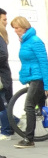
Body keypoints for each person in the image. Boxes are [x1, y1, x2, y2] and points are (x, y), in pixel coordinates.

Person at [10, 16, 48, 149]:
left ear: (24, 27)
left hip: (38, 78)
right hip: (33, 76)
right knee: (42, 107)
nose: (15, 31)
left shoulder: (34, 41)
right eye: (14, 28)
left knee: (29, 106)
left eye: (17, 28)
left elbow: (44, 63)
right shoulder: (25, 41)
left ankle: (29, 139)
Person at [0, 9, 13, 142]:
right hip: (3, 75)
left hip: (2, 77)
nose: (6, 22)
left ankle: (6, 131)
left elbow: (3, 55)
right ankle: (15, 122)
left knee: (2, 105)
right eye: (4, 19)